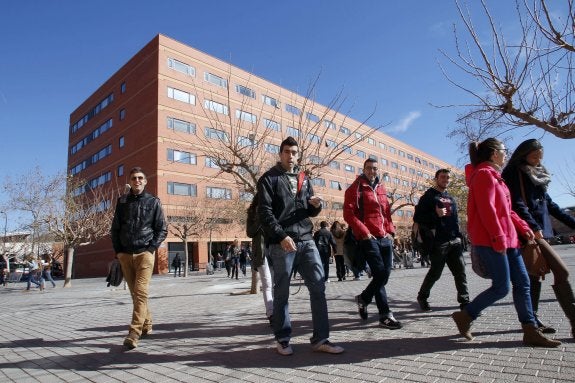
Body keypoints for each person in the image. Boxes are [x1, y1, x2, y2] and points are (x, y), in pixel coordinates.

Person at [452, 138, 560, 347]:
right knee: (501, 288)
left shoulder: (495, 176)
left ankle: (530, 330)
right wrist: (498, 238)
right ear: (494, 153)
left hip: (509, 240)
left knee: (523, 283)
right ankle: (466, 315)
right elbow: (487, 210)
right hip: (492, 241)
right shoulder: (484, 175)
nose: (506, 154)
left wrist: (523, 227)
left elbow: (507, 210)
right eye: (503, 150)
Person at [258, 136, 344, 356]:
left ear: (298, 155)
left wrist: (315, 207)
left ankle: (321, 339)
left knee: (318, 287)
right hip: (282, 244)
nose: (291, 155)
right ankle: (283, 338)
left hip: (307, 240)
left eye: (294, 152)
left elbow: (308, 210)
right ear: (280, 154)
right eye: (287, 151)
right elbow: (265, 213)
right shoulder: (269, 179)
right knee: (282, 293)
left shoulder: (304, 178)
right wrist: (280, 236)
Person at [502, 139, 575, 337]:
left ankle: (532, 323)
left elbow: (550, 206)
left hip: (541, 232)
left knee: (534, 278)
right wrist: (532, 227)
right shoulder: (513, 173)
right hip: (528, 232)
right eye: (534, 157)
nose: (537, 161)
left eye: (540, 157)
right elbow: (516, 204)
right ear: (523, 155)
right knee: (561, 272)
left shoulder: (537, 175)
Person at [111, 167, 167, 350]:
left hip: (145, 253)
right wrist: (118, 251)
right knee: (136, 294)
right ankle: (147, 323)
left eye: (140, 178)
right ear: (130, 181)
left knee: (141, 291)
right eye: (134, 178)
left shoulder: (153, 201)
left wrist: (151, 249)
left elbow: (162, 229)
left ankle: (134, 332)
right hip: (126, 254)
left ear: (145, 181)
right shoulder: (122, 202)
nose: (137, 180)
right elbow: (115, 228)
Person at [343, 158, 401, 330]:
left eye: (375, 168)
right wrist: (365, 232)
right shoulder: (356, 187)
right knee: (380, 273)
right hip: (368, 238)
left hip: (385, 237)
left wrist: (391, 231)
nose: (372, 171)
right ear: (363, 169)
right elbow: (348, 214)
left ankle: (363, 298)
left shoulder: (381, 188)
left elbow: (387, 212)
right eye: (368, 168)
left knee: (384, 275)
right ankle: (385, 315)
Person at [414, 168, 470, 312]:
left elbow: (455, 219)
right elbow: (418, 218)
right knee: (435, 273)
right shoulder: (428, 197)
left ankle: (465, 302)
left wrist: (459, 236)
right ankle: (422, 297)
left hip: (454, 240)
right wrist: (435, 214)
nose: (445, 180)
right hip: (438, 242)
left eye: (447, 178)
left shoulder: (451, 198)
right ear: (436, 179)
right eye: (443, 177)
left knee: (460, 271)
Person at [246, 192, 274, 324]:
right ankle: (271, 313)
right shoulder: (252, 213)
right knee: (267, 283)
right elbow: (250, 232)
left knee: (277, 283)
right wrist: (259, 219)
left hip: (276, 249)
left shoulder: (274, 209)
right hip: (261, 252)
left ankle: (278, 310)